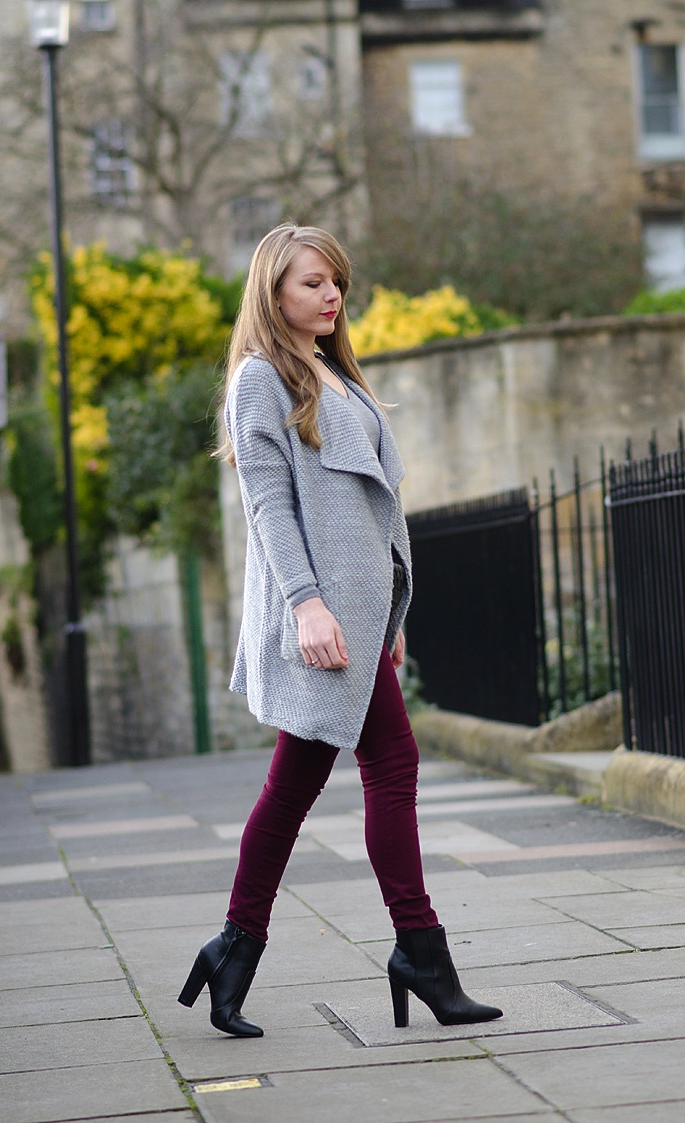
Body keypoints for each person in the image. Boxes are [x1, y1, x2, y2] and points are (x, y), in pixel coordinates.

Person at [177, 223, 502, 1038]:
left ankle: (237, 948)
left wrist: (387, 615)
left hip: (359, 619)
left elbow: (370, 509)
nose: (330, 295)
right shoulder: (260, 378)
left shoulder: (332, 371)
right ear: (272, 292)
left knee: (298, 785)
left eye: (335, 283)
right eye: (311, 283)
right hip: (324, 618)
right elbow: (269, 505)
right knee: (382, 766)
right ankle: (416, 954)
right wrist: (308, 604)